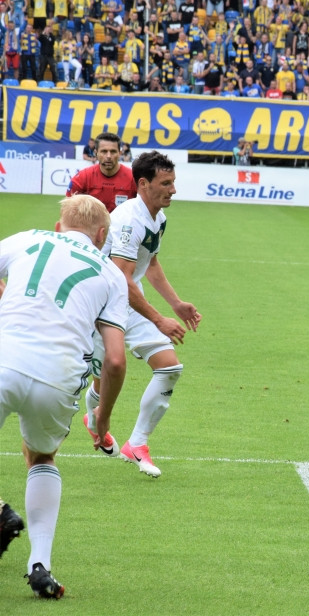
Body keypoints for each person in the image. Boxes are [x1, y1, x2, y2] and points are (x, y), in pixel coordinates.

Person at [0, 195, 128, 599]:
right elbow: (115, 360)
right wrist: (103, 418)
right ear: (102, 235)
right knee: (41, 457)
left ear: (59, 225)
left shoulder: (26, 239)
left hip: (5, 357)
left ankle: (1, 513)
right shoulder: (111, 274)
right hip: (58, 376)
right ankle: (41, 565)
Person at [83, 151, 202, 478]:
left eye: (174, 182)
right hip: (103, 303)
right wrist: (158, 318)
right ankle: (93, 417)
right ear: (144, 184)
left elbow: (149, 264)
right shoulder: (127, 218)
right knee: (100, 377)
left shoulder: (158, 218)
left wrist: (175, 304)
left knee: (169, 367)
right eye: (166, 183)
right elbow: (121, 276)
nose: (173, 190)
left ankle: (136, 443)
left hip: (128, 303)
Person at [66, 132, 137, 213]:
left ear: (119, 153)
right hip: (91, 225)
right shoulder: (82, 177)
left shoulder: (134, 178)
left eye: (113, 152)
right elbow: (68, 210)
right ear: (96, 153)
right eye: (104, 151)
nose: (108, 156)